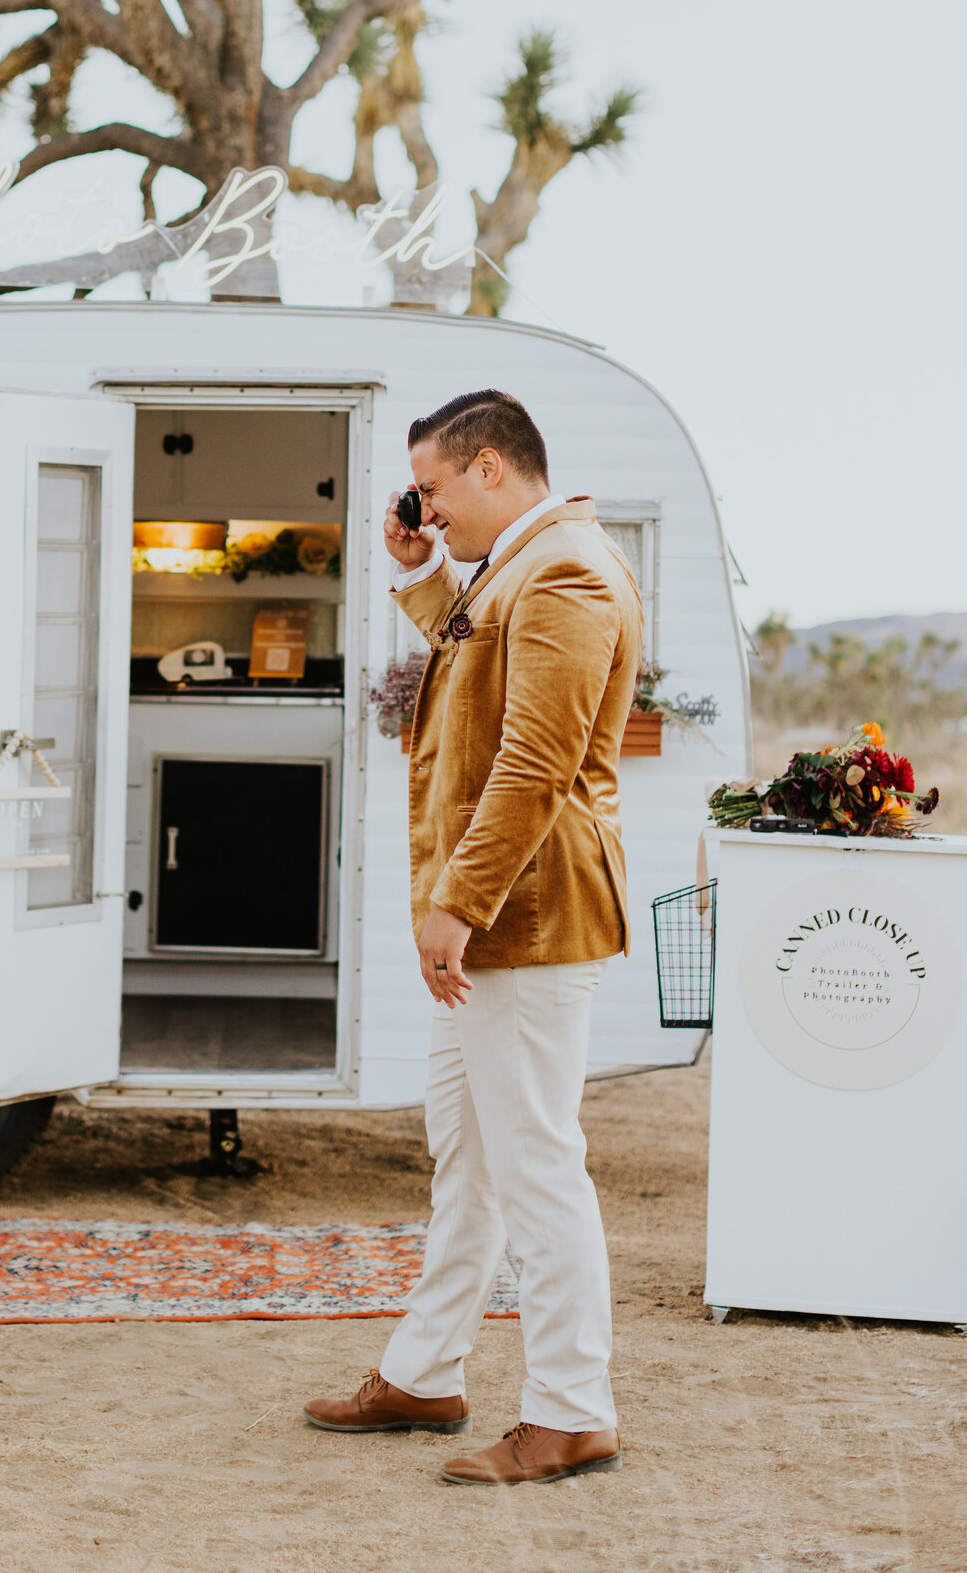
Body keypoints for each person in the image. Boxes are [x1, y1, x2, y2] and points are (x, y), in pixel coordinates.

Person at [304, 389, 638, 1485]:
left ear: (491, 465)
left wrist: (458, 902)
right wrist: (417, 572)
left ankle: (571, 1407)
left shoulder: (568, 570)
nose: (428, 507)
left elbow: (534, 758)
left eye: (436, 488)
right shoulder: (517, 565)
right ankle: (424, 1372)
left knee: (535, 1163)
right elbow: (476, 658)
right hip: (496, 915)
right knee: (473, 1160)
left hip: (525, 916)